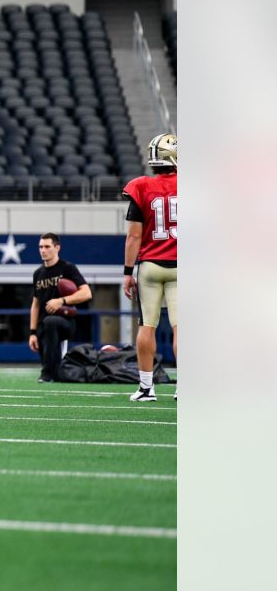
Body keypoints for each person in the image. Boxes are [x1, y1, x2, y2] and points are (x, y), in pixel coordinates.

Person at [123, 133, 178, 402]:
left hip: (150, 266)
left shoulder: (141, 186)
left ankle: (146, 388)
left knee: (147, 327)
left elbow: (134, 236)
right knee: (182, 328)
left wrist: (126, 272)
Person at [29, 233, 93, 382]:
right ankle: (54, 373)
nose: (43, 250)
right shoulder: (38, 273)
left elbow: (87, 293)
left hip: (65, 321)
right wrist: (32, 332)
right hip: (44, 325)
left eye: (47, 247)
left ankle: (47, 374)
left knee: (51, 321)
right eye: (40, 247)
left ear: (57, 248)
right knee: (55, 370)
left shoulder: (68, 268)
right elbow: (35, 304)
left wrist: (62, 300)